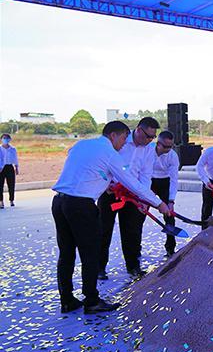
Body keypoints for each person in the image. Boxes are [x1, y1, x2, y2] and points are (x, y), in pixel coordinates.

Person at [52, 121, 170, 314]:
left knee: (66, 253)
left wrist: (102, 179)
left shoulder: (82, 144)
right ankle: (92, 301)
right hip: (81, 206)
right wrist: (158, 203)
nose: (124, 143)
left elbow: (84, 165)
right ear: (113, 135)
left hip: (59, 202)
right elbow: (132, 183)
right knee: (91, 253)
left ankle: (66, 299)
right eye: (123, 138)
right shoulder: (110, 154)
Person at [98, 117, 159, 279]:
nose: (149, 140)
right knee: (103, 229)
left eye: (153, 137)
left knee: (133, 230)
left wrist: (144, 199)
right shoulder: (120, 140)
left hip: (132, 194)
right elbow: (103, 164)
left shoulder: (148, 149)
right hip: (110, 192)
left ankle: (133, 266)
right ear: (138, 129)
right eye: (147, 136)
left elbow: (146, 175)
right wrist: (106, 184)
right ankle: (99, 268)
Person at [151, 131, 180, 257]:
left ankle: (170, 248)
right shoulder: (147, 151)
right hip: (149, 181)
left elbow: (174, 179)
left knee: (169, 216)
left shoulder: (173, 156)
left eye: (171, 146)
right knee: (139, 215)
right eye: (166, 146)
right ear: (158, 144)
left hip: (165, 182)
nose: (168, 149)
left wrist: (171, 200)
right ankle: (136, 250)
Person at [0, 133, 18, 208]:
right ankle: (1, 201)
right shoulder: (0, 148)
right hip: (1, 168)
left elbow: (15, 158)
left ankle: (11, 200)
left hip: (10, 167)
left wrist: (16, 167)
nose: (5, 140)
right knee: (0, 185)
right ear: (1, 139)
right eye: (4, 138)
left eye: (7, 138)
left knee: (11, 185)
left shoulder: (12, 149)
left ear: (10, 139)